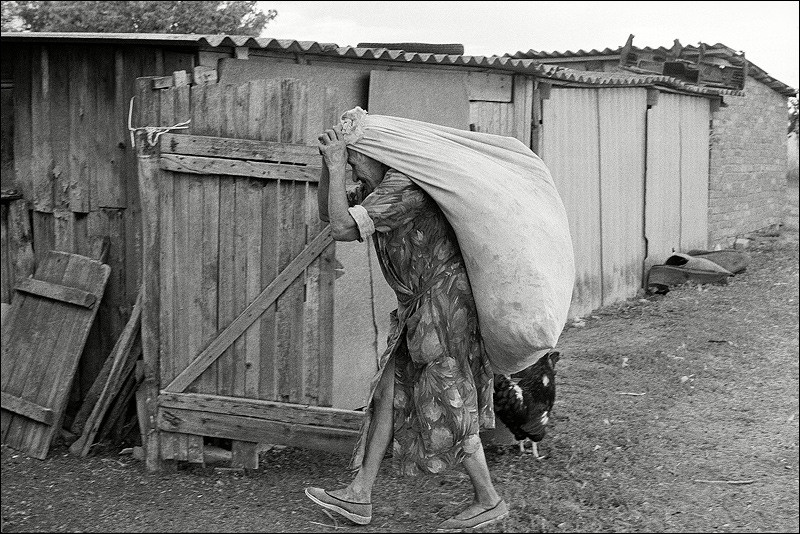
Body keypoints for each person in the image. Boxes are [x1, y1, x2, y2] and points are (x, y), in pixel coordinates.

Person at [304, 119, 508, 531]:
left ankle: (488, 499)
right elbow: (333, 216)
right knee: (388, 390)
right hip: (421, 305)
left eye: (356, 159)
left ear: (376, 154)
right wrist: (331, 166)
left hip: (443, 304)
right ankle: (359, 495)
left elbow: (344, 228)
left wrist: (338, 159)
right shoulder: (375, 187)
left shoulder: (404, 187)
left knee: (448, 395)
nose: (355, 171)